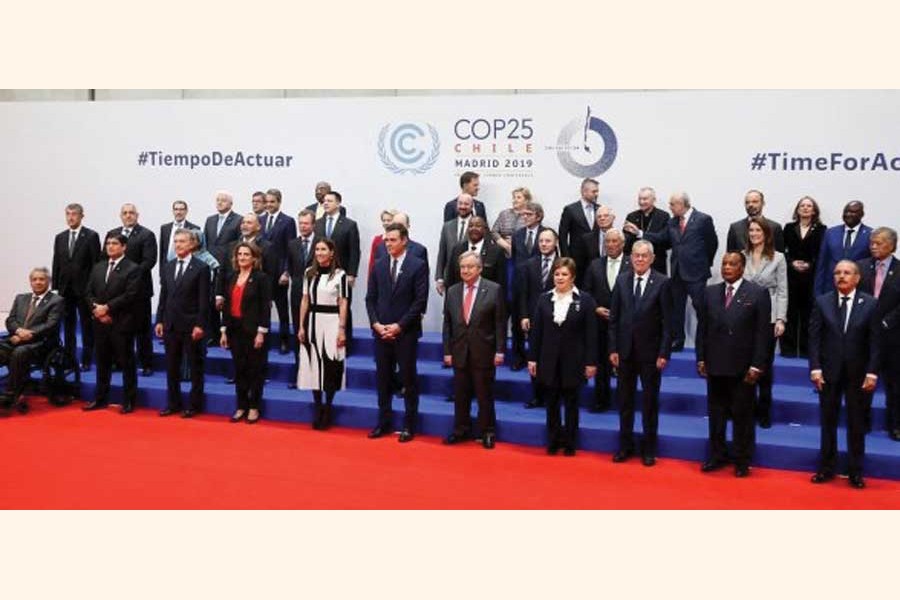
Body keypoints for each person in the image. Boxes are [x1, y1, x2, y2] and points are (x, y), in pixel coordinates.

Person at [696, 253, 771, 477]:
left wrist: (757, 365)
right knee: (716, 414)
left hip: (743, 367)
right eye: (725, 264)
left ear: (742, 267)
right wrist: (701, 358)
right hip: (716, 364)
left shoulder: (757, 293)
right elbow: (703, 329)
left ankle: (742, 460)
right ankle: (717, 455)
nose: (727, 267)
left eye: (732, 264)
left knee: (742, 415)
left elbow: (763, 335)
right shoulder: (710, 292)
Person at [809, 260, 880, 489]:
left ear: (857, 278)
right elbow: (814, 338)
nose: (841, 276)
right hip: (828, 373)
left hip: (858, 375)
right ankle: (826, 468)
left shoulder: (870, 304)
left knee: (856, 424)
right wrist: (815, 367)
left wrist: (872, 372)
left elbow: (876, 342)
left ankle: (855, 472)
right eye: (837, 272)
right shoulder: (822, 302)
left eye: (847, 273)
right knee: (828, 422)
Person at [624, 191, 717, 351]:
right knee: (676, 308)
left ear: (682, 204)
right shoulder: (673, 222)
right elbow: (661, 238)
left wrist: (703, 264)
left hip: (697, 273)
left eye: (673, 204)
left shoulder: (703, 219)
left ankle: (706, 341)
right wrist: (639, 233)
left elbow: (712, 244)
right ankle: (678, 340)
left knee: (701, 308)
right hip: (677, 273)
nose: (670, 207)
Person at [609, 240, 673, 466]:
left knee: (649, 403)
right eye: (636, 255)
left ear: (652, 258)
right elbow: (614, 319)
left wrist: (664, 353)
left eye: (644, 256)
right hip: (624, 353)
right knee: (625, 402)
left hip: (651, 354)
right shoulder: (622, 279)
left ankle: (649, 449)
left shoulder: (663, 283)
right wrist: (613, 348)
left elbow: (668, 323)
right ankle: (625, 447)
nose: (639, 259)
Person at [365, 223, 429, 443]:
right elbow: (370, 298)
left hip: (406, 333)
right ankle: (384, 422)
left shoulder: (417, 265)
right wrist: (375, 323)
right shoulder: (379, 265)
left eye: (392, 240)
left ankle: (409, 425)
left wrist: (399, 326)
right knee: (383, 379)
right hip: (381, 332)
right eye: (386, 240)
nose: (388, 244)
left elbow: (419, 301)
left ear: (404, 240)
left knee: (408, 379)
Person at [527, 257, 598, 456]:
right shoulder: (543, 299)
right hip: (548, 359)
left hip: (574, 361)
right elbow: (537, 332)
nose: (560, 278)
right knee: (551, 403)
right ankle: (553, 439)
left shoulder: (585, 300)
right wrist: (532, 358)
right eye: (557, 274)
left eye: (564, 274)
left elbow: (591, 335)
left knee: (572, 403)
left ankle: (570, 442)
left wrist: (591, 362)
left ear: (573, 277)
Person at [442, 252, 505, 448]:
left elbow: (500, 323)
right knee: (460, 395)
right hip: (459, 350)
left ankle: (487, 431)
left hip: (484, 351)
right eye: (463, 267)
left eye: (470, 267)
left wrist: (500, 350)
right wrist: (447, 351)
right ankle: (461, 429)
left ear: (479, 269)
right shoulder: (452, 291)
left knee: (484, 394)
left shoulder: (494, 290)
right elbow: (447, 324)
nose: (465, 270)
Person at [154, 229, 210, 418]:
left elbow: (204, 300)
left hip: (191, 325)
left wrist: (200, 325)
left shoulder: (201, 268)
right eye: (176, 241)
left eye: (182, 241)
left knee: (195, 367)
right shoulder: (168, 266)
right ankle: (173, 403)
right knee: (171, 366)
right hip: (170, 324)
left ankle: (194, 405)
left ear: (192, 244)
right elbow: (164, 296)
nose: (178, 245)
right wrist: (159, 320)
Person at [84, 233, 141, 413]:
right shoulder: (98, 267)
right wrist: (97, 310)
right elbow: (88, 292)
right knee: (102, 362)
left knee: (126, 363)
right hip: (100, 322)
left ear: (124, 247)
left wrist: (107, 308)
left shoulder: (133, 268)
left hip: (121, 322)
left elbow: (130, 295)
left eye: (114, 243)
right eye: (108, 243)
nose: (110, 246)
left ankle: (129, 401)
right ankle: (100, 399)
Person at [297, 239, 349, 430]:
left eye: (323, 249)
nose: (319, 253)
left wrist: (342, 328)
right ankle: (318, 405)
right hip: (312, 321)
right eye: (317, 249)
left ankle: (328, 406)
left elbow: (343, 302)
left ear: (332, 252)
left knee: (331, 363)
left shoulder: (340, 275)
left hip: (332, 322)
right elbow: (304, 300)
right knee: (314, 364)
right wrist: (301, 326)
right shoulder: (309, 273)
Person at [742, 217, 788, 429]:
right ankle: (745, 409)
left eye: (757, 230)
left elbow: (782, 291)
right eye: (751, 230)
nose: (753, 234)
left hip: (768, 316)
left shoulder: (778, 258)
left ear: (766, 233)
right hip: (744, 316)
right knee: (743, 364)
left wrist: (780, 319)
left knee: (764, 366)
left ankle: (764, 411)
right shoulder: (742, 256)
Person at [220, 242, 271, 424]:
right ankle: (241, 405)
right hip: (235, 330)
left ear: (254, 258)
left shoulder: (261, 278)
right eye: (240, 254)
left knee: (255, 371)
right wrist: (223, 330)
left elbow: (265, 308)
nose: (242, 257)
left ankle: (254, 407)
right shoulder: (231, 277)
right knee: (239, 370)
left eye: (246, 254)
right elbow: (226, 306)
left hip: (253, 331)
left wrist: (261, 332)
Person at [0, 268, 64, 413]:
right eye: (34, 279)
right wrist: (18, 331)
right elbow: (11, 320)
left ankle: (10, 395)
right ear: (30, 282)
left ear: (48, 281)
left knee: (19, 352)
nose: (38, 282)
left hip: (42, 342)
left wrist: (29, 334)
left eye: (41, 279)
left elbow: (51, 324)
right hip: (18, 338)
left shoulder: (57, 300)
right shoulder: (20, 298)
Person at [857, 227, 900, 440]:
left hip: (893, 337)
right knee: (863, 381)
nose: (873, 246)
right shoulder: (862, 267)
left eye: (879, 243)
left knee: (895, 384)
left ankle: (896, 425)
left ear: (892, 245)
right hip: (864, 335)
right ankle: (861, 422)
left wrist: (886, 322)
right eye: (872, 242)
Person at [582, 228, 630, 413]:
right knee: (601, 364)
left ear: (623, 244)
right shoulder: (595, 265)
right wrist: (595, 308)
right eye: (607, 241)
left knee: (625, 365)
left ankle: (624, 402)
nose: (610, 245)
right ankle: (601, 400)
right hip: (600, 323)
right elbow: (586, 292)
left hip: (624, 324)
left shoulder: (631, 264)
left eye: (614, 241)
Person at [106, 203, 157, 376]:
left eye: (131, 213)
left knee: (142, 330)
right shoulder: (112, 234)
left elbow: (149, 261)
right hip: (116, 292)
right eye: (125, 213)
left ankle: (146, 363)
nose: (128, 216)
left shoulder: (146, 234)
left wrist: (129, 276)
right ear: (120, 215)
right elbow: (105, 259)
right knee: (118, 330)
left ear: (137, 215)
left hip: (140, 290)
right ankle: (118, 361)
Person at [51, 203, 101, 371]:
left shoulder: (91, 236)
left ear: (81, 216)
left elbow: (96, 264)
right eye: (68, 214)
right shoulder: (60, 237)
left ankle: (86, 360)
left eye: (74, 214)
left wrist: (94, 289)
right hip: (65, 290)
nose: (70, 217)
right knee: (68, 326)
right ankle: (69, 360)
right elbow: (56, 263)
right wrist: (56, 287)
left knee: (87, 326)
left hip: (84, 290)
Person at [313, 191, 360, 352]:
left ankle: (346, 343)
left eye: (330, 201)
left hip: (342, 272)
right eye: (324, 201)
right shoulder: (317, 223)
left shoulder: (349, 224)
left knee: (343, 307)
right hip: (321, 273)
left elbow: (355, 251)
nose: (326, 203)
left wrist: (352, 273)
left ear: (338, 203)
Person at [518, 228, 559, 409]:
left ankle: (554, 395)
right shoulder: (528, 264)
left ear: (555, 242)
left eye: (547, 241)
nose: (543, 244)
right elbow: (523, 293)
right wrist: (524, 315)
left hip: (558, 319)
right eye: (541, 241)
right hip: (535, 318)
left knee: (554, 357)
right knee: (535, 357)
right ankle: (537, 395)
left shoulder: (563, 264)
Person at [782, 196, 827, 358]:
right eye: (802, 205)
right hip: (791, 276)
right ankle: (789, 350)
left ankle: (807, 350)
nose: (806, 208)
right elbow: (782, 251)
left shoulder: (822, 230)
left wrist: (809, 265)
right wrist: (792, 262)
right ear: (797, 209)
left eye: (809, 206)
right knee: (790, 313)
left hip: (811, 277)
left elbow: (822, 253)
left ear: (814, 210)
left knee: (809, 315)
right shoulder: (788, 228)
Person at [507, 201, 546, 369]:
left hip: (540, 285)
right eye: (523, 214)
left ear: (538, 216)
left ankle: (538, 357)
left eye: (528, 214)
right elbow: (515, 259)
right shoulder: (517, 235)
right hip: (520, 284)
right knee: (517, 323)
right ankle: (518, 357)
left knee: (540, 324)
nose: (525, 217)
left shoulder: (547, 234)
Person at [202, 191, 242, 344]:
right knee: (211, 300)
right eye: (218, 200)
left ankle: (229, 334)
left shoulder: (238, 220)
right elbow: (205, 244)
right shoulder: (210, 220)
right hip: (210, 266)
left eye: (223, 200)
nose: (220, 203)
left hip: (228, 267)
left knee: (227, 302)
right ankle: (213, 334)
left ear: (231, 204)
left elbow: (239, 244)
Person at [261, 189, 296, 354]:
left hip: (279, 272)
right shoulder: (259, 220)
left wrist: (287, 272)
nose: (269, 205)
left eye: (272, 202)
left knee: (282, 309)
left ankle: (284, 340)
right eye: (266, 202)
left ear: (279, 202)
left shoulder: (288, 221)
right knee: (263, 309)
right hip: (262, 273)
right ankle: (264, 339)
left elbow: (291, 249)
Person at [287, 209, 318, 388]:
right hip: (297, 294)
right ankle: (300, 375)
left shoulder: (322, 243)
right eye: (301, 223)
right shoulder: (292, 244)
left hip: (317, 296)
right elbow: (291, 269)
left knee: (314, 334)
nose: (303, 226)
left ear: (313, 225)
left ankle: (315, 374)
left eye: (306, 223)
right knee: (299, 334)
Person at [814, 200, 872, 296]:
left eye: (853, 212)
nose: (848, 214)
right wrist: (818, 292)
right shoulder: (830, 233)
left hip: (858, 289)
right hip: (830, 288)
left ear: (862, 214)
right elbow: (822, 264)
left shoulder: (870, 234)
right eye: (846, 211)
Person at [446, 217, 507, 292]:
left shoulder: (496, 251)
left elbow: (501, 282)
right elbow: (450, 279)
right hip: (460, 298)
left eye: (478, 226)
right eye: (471, 226)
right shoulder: (457, 250)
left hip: (487, 299)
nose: (474, 228)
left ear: (485, 229)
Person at [435, 193, 475, 296]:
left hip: (472, 278)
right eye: (460, 203)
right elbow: (442, 252)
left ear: (472, 206)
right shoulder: (447, 226)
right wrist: (439, 278)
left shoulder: (478, 225)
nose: (462, 207)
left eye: (466, 204)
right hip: (450, 278)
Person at [624, 187, 669, 274]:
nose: (641, 202)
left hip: (657, 265)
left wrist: (639, 233)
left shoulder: (663, 216)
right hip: (636, 266)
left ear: (654, 200)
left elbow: (665, 241)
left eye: (645, 199)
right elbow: (626, 245)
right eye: (640, 199)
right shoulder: (632, 217)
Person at [558, 177, 599, 260]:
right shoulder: (570, 210)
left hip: (596, 258)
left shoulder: (600, 210)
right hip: (576, 259)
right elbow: (562, 236)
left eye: (597, 191)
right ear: (584, 192)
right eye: (594, 191)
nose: (597, 194)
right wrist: (566, 258)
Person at [578, 205, 616, 284]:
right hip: (593, 283)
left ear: (613, 218)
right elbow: (581, 266)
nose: (602, 218)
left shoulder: (623, 238)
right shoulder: (586, 239)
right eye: (599, 217)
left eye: (606, 216)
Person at [159, 200, 200, 268]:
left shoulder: (194, 229)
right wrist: (161, 270)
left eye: (181, 209)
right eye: (176, 209)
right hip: (167, 266)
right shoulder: (165, 228)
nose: (178, 212)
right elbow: (162, 251)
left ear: (186, 211)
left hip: (185, 266)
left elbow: (196, 252)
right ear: (173, 211)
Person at [491, 187, 530, 257]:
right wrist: (507, 246)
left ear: (526, 200)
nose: (515, 200)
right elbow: (494, 232)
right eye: (514, 197)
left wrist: (515, 243)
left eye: (518, 198)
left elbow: (533, 234)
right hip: (502, 250)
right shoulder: (504, 214)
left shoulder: (530, 215)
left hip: (522, 252)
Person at [368, 209, 397, 275]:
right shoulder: (377, 240)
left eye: (389, 220)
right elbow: (372, 263)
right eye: (384, 220)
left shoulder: (400, 240)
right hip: (381, 277)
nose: (386, 223)